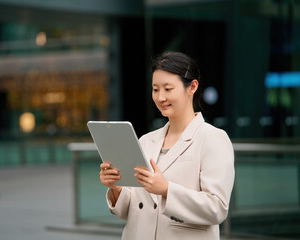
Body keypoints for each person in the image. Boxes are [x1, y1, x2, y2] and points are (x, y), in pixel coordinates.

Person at [99, 51, 235, 240]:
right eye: (155, 89)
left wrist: (167, 190)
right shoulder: (146, 141)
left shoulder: (213, 138)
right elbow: (130, 209)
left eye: (168, 89)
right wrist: (116, 188)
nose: (160, 97)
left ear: (192, 86)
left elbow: (217, 209)